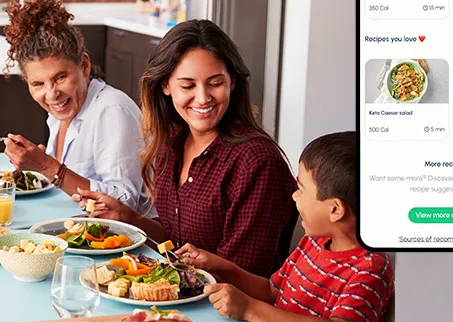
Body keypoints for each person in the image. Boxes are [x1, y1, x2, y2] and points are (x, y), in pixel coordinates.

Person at [73, 19, 298, 277]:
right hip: (182, 293)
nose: (203, 98)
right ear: (166, 86)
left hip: (223, 310)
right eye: (188, 85)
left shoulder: (257, 163)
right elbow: (176, 237)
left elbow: (244, 276)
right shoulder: (173, 142)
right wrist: (127, 217)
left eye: (215, 83)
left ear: (232, 82)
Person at [179, 131, 394, 322]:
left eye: (301, 189)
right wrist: (220, 266)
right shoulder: (315, 241)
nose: (294, 195)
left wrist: (250, 309)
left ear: (335, 209)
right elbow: (273, 291)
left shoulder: (370, 268)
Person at [0, 0, 148, 212]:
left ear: (85, 66)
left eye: (60, 78)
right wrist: (38, 163)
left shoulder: (112, 109)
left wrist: (47, 166)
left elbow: (125, 204)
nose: (51, 95)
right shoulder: (61, 113)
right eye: (38, 83)